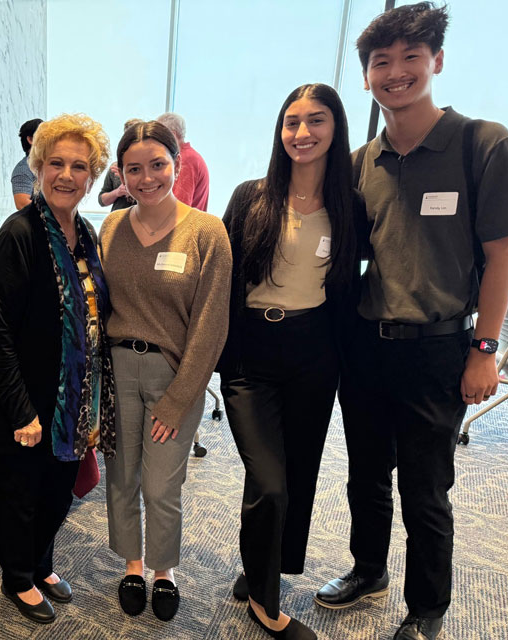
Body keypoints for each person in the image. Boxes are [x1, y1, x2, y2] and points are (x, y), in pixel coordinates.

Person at [313, 5, 508, 640]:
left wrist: (487, 348)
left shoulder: (483, 143)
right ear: (367, 75)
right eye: (381, 62)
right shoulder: (358, 162)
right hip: (368, 346)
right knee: (365, 474)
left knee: (427, 490)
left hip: (441, 349)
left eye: (410, 58)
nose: (395, 73)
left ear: (437, 61)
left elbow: (502, 252)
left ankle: (427, 606)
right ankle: (367, 569)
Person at [217, 83, 361, 640]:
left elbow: (356, 283)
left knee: (298, 476)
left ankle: (261, 569)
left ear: (335, 128)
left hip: (314, 352)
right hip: (253, 353)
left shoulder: (350, 206)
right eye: (292, 122)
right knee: (268, 479)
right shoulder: (251, 196)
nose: (302, 133)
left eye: (316, 121)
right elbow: (223, 280)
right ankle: (265, 602)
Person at [0, 113, 115, 625]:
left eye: (80, 166)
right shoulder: (19, 234)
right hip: (29, 400)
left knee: (57, 491)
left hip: (73, 396)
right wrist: (21, 412)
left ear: (92, 176)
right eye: (56, 162)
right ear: (37, 166)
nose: (66, 175)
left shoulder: (86, 233)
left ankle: (41, 562)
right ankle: (17, 577)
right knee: (22, 495)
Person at [98, 120, 231, 621]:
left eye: (158, 165)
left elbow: (212, 324)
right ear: (122, 173)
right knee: (121, 478)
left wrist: (179, 398)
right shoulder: (112, 227)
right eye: (134, 168)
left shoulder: (206, 231)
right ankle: (133, 564)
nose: (147, 177)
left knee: (160, 486)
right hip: (116, 371)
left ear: (177, 163)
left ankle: (163, 569)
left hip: (174, 375)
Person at [156, 112, 210, 211]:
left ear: (172, 135)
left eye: (158, 135)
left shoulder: (186, 159)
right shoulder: (187, 156)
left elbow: (178, 207)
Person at [99, 119, 144, 211]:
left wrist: (133, 191)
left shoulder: (150, 170)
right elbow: (101, 200)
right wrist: (117, 192)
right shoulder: (115, 167)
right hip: (118, 221)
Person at [11, 118, 44, 210]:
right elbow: (22, 204)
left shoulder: (47, 166)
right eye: (44, 136)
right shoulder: (23, 169)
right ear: (30, 139)